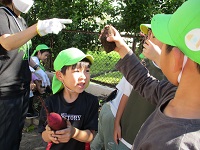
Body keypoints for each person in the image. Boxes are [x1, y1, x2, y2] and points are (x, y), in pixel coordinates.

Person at [104, 0, 200, 149]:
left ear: (177, 59)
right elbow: (145, 83)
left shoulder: (173, 144)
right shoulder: (174, 93)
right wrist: (122, 49)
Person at [0, 0, 71, 149]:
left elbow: (23, 53)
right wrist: (37, 28)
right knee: (5, 140)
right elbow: (8, 43)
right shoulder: (2, 15)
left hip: (22, 91)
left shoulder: (21, 21)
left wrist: (37, 68)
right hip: (6, 93)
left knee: (14, 137)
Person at [38, 48, 99, 150]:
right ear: (60, 75)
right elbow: (43, 135)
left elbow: (90, 136)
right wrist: (49, 135)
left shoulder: (91, 101)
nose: (83, 76)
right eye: (76, 71)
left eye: (87, 71)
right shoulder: (50, 102)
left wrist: (74, 133)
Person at [90, 76, 133, 150]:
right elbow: (125, 97)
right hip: (114, 115)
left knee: (100, 139)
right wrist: (117, 122)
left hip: (108, 107)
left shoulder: (136, 69)